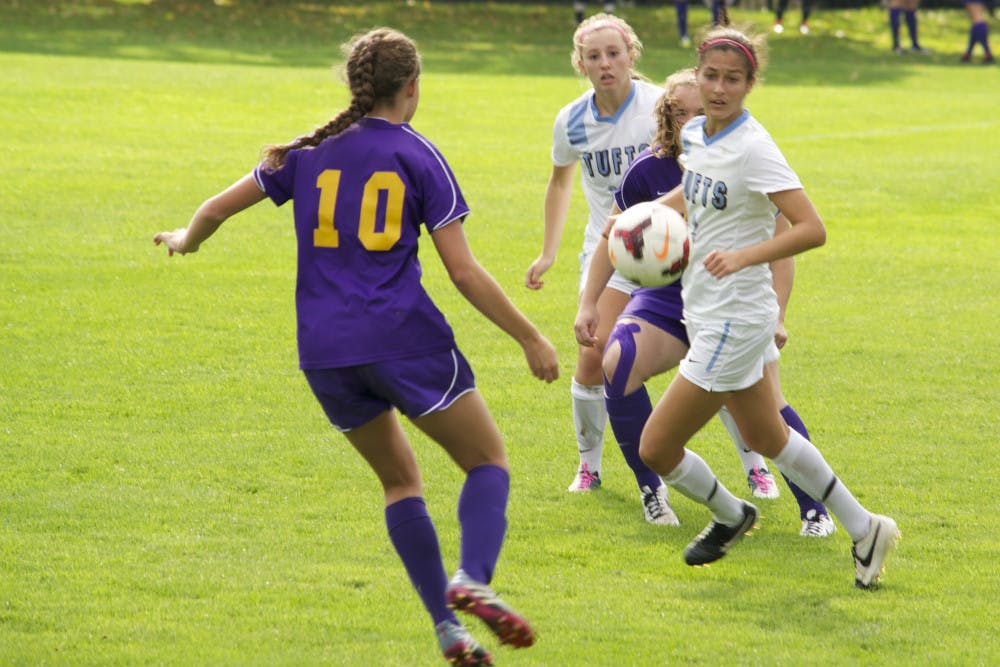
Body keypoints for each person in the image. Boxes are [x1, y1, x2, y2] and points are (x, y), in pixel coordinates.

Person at [153, 27, 559, 666]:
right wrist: (530, 336)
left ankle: (447, 629)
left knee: (399, 482)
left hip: (325, 354)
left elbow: (214, 209)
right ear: (413, 87)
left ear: (355, 85)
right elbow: (462, 271)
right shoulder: (417, 154)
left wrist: (185, 239)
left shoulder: (306, 151)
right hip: (404, 341)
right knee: (487, 462)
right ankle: (474, 578)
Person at [635, 24, 898, 588]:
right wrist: (646, 215)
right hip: (708, 311)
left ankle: (731, 514)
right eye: (710, 76)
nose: (719, 88)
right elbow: (692, 191)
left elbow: (811, 228)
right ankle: (866, 527)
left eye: (732, 79)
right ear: (697, 75)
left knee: (656, 447)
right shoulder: (697, 134)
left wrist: (743, 256)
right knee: (768, 437)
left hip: (735, 319)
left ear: (750, 84)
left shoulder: (755, 148)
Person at [574, 68, 835, 537]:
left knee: (766, 413)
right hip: (666, 299)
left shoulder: (742, 160)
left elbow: (786, 245)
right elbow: (614, 234)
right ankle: (652, 489)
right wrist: (589, 302)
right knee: (618, 360)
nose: (692, 120)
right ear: (666, 116)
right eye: (681, 112)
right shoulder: (647, 170)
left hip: (730, 300)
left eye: (700, 110)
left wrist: (778, 314)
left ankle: (815, 510)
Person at [525, 13, 664, 503]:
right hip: (610, 249)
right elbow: (560, 182)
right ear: (580, 63)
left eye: (613, 53)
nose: (605, 64)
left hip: (670, 246)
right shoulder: (571, 120)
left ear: (631, 55)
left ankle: (756, 467)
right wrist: (548, 252)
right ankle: (589, 467)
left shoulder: (660, 107)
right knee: (591, 350)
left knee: (713, 351)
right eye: (593, 56)